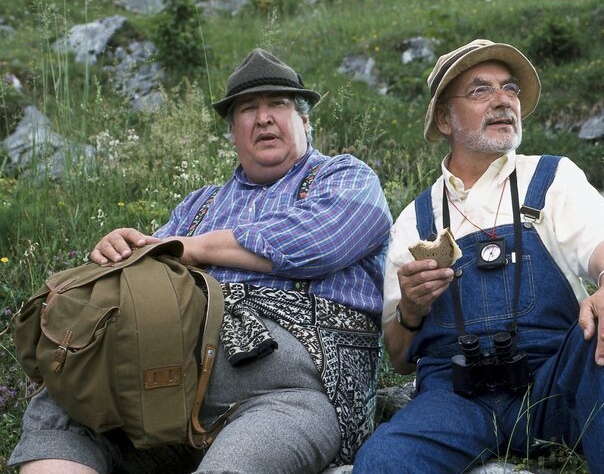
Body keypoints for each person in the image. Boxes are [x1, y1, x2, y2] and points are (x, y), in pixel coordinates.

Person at [10, 49, 393, 473]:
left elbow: (319, 242)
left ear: (305, 122)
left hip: (284, 393)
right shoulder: (198, 205)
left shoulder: (345, 177)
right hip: (166, 380)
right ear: (233, 133)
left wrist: (189, 248)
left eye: (278, 105)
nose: (263, 118)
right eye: (248, 109)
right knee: (69, 398)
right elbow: (147, 284)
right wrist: (121, 258)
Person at [353, 39, 604, 474]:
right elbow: (401, 358)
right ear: (444, 117)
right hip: (454, 399)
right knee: (383, 461)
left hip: (553, 382)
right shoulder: (414, 220)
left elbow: (602, 244)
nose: (502, 101)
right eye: (481, 90)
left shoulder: (552, 176)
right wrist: (411, 308)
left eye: (510, 88)